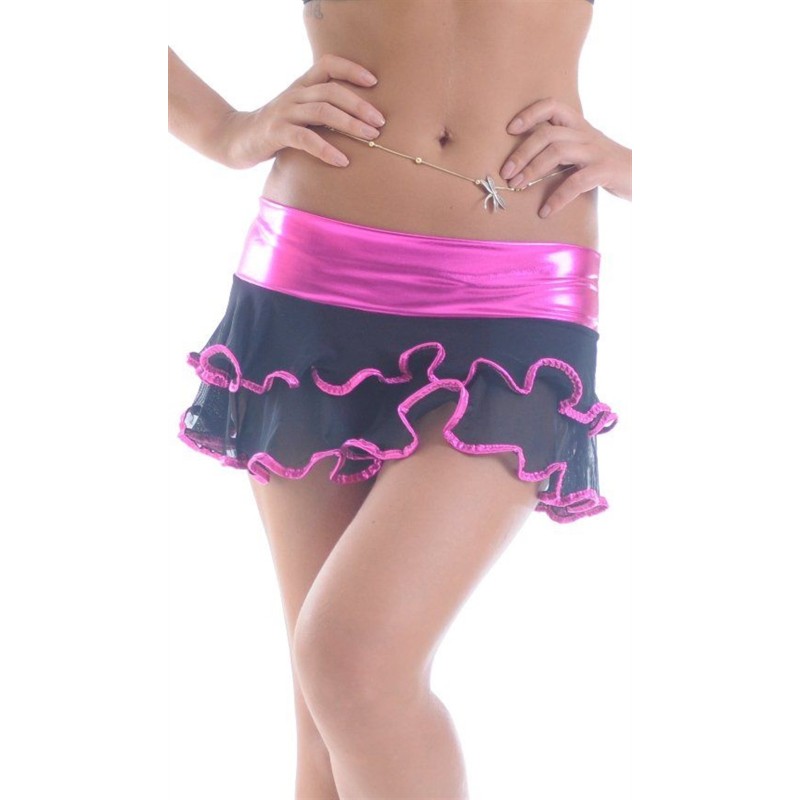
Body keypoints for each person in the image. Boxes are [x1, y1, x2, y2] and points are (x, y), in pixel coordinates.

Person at [168, 0, 631, 796]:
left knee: (352, 665)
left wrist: (638, 163)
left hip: (518, 297)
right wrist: (222, 129)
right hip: (314, 275)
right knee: (327, 725)